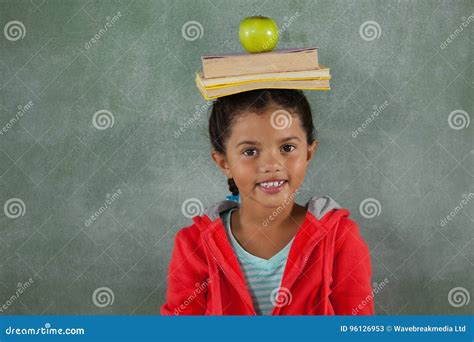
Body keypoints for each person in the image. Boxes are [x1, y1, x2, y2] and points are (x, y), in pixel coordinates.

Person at [161, 89, 373, 315]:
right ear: (224, 163)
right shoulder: (194, 245)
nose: (272, 164)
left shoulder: (340, 238)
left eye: (287, 148)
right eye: (250, 151)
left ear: (309, 153)